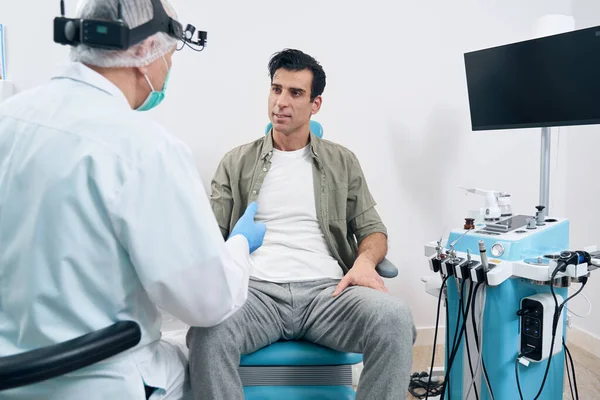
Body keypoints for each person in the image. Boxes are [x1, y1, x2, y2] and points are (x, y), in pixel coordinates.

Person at [0, 1, 265, 399]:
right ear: (143, 52)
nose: (169, 69)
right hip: (98, 382)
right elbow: (208, 301)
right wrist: (240, 245)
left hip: (11, 378)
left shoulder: (9, 119)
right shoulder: (145, 148)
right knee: (195, 363)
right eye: (170, 55)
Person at [186, 49, 416, 400]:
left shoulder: (342, 161)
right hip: (256, 293)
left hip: (328, 294)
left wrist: (365, 262)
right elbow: (210, 239)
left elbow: (373, 230)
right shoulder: (236, 162)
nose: (281, 102)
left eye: (295, 93)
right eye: (276, 89)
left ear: (315, 104)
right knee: (207, 332)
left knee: (395, 318)